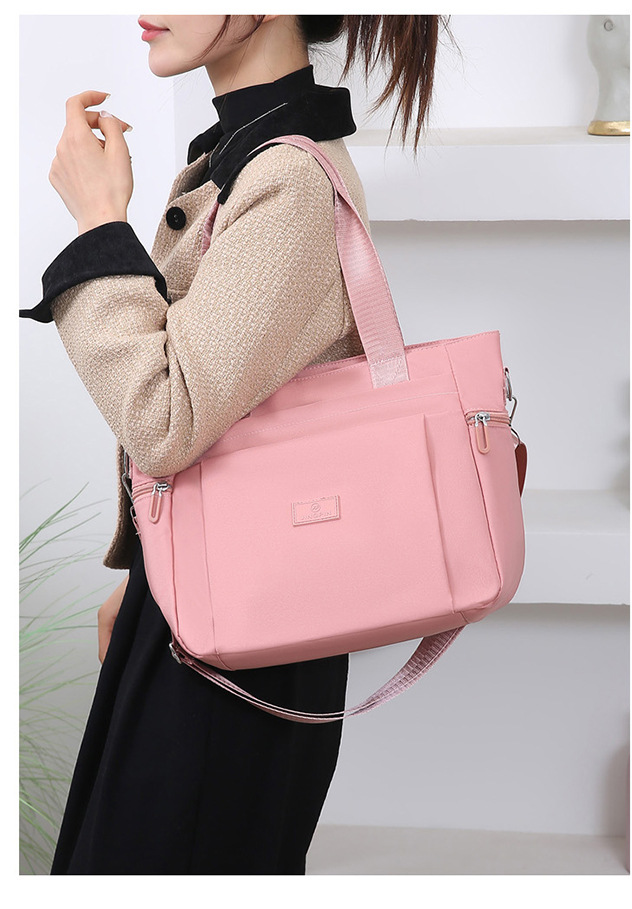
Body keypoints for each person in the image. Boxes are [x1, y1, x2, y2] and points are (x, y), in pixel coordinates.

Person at [20, 14, 455, 875]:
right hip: (215, 608)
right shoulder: (245, 158)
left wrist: (97, 223)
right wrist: (150, 570)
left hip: (242, 650)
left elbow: (165, 415)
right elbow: (230, 407)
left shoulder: (287, 179)